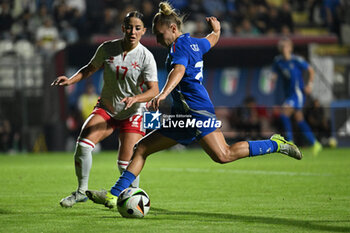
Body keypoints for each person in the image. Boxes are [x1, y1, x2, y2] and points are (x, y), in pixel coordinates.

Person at [86, 2, 302, 208]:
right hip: (183, 116)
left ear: (172, 28)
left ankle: (275, 144)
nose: (159, 40)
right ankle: (114, 195)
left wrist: (163, 93)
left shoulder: (179, 46)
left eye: (160, 35)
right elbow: (212, 40)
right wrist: (216, 30)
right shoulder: (194, 42)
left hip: (197, 112)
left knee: (223, 155)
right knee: (141, 148)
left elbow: (178, 71)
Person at [51, 11, 159, 207]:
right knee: (83, 145)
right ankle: (81, 192)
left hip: (133, 113)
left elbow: (154, 90)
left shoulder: (146, 57)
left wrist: (135, 98)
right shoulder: (107, 48)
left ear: (144, 31)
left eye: (137, 28)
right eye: (129, 27)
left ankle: (132, 200)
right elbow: (89, 68)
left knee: (125, 164)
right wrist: (70, 80)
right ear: (122, 28)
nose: (132, 31)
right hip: (107, 109)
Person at [271, 37, 322, 156]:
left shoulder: (296, 60)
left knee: (284, 113)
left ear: (290, 48)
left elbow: (311, 70)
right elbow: (274, 73)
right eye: (282, 46)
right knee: (300, 120)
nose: (284, 48)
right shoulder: (278, 61)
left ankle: (290, 141)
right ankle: (315, 143)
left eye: (286, 46)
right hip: (288, 94)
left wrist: (310, 84)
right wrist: (273, 77)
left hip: (298, 93)